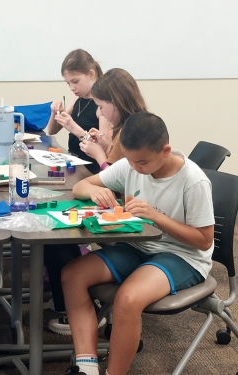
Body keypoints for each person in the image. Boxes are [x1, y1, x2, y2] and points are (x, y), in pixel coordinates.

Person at [62, 112, 215, 375]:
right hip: (139, 245)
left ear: (165, 151)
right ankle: (86, 366)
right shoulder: (132, 164)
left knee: (128, 299)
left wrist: (157, 217)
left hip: (182, 255)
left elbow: (203, 241)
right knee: (72, 275)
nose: (135, 168)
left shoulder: (193, 180)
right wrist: (94, 190)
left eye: (142, 162)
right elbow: (80, 188)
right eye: (131, 161)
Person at [46, 68, 148, 336]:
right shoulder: (127, 126)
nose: (100, 114)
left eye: (102, 107)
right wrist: (103, 143)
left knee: (55, 237)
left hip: (132, 217)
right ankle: (76, 301)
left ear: (116, 102)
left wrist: (98, 152)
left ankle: (78, 307)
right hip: (122, 207)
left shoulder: (134, 132)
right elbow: (114, 173)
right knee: (57, 225)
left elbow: (121, 182)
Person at [45, 49, 107, 174]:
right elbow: (52, 131)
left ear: (91, 74)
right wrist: (55, 113)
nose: (72, 88)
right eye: (68, 83)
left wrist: (74, 128)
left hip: (92, 170)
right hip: (75, 164)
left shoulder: (103, 105)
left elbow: (105, 148)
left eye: (75, 81)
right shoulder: (78, 98)